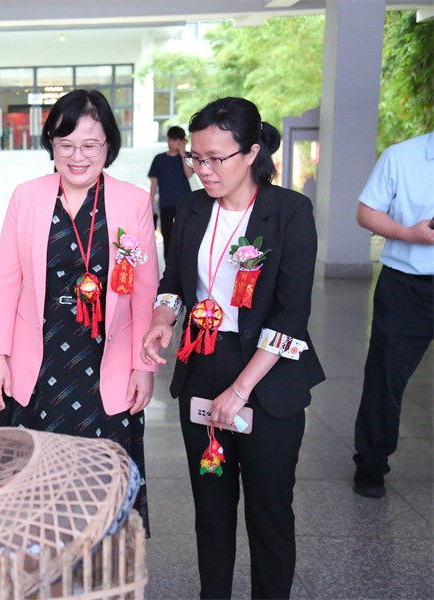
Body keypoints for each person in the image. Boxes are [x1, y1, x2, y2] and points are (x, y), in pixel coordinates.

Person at [141, 97, 325, 599]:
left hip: (268, 377)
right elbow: (174, 282)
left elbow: (292, 316)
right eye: (195, 158)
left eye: (215, 158)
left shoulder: (289, 211)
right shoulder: (193, 208)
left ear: (251, 153)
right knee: (211, 509)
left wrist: (241, 390)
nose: (202, 170)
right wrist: (162, 318)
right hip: (202, 366)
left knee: (269, 511)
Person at [0, 89, 159, 533]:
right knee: (35, 486)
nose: (77, 157)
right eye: (66, 145)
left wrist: (143, 366)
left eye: (89, 145)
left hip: (106, 358)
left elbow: (144, 290)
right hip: (39, 359)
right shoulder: (27, 197)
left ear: (108, 145)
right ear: (51, 145)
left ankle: (101, 564)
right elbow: (5, 282)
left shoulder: (133, 201)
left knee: (100, 486)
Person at [352, 131, 434, 498]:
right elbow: (366, 213)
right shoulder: (401, 156)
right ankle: (371, 464)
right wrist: (409, 234)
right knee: (385, 378)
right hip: (407, 287)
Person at [148, 125, 194, 262]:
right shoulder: (159, 159)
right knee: (167, 236)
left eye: (175, 140)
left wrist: (183, 153)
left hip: (185, 203)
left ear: (181, 141)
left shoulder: (187, 157)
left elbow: (189, 174)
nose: (171, 143)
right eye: (170, 139)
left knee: (185, 235)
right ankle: (169, 265)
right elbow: (153, 184)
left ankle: (184, 263)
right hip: (166, 203)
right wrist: (151, 204)